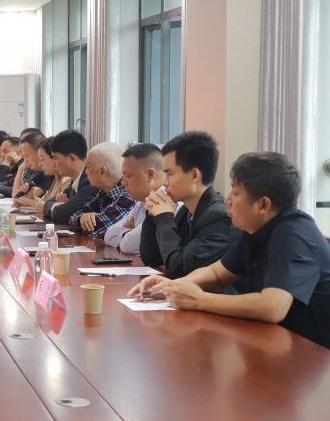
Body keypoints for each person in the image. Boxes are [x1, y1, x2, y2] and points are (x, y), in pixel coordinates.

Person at [129, 152, 330, 349]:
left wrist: (198, 299)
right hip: (279, 342)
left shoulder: (293, 234)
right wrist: (174, 286)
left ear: (263, 204)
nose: (227, 199)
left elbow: (272, 307)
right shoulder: (256, 229)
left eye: (236, 192)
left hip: (314, 352)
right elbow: (217, 273)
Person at [139, 131, 239, 279]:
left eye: (170, 174)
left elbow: (179, 268)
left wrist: (164, 217)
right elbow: (151, 258)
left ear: (194, 175)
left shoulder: (219, 217)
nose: (165, 182)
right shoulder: (186, 211)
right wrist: (153, 214)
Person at [104, 143, 174, 254]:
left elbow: (127, 246)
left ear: (150, 174)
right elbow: (109, 235)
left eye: (128, 176)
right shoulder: (141, 201)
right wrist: (128, 232)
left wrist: (126, 233)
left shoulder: (165, 202)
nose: (123, 182)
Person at [68, 142, 135, 238]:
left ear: (102, 172)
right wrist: (82, 218)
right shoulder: (104, 192)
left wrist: (91, 219)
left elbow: (98, 229)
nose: (86, 172)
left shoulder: (128, 195)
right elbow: (73, 216)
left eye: (88, 167)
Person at [40, 130, 99, 223]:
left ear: (71, 158)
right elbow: (47, 204)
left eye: (55, 158)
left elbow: (61, 214)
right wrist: (60, 206)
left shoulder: (91, 181)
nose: (53, 164)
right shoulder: (75, 180)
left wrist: (61, 206)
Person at [15, 137, 71, 212]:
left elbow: (57, 208)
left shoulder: (67, 179)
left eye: (42, 160)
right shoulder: (55, 178)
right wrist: (31, 198)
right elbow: (45, 201)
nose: (39, 164)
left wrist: (29, 201)